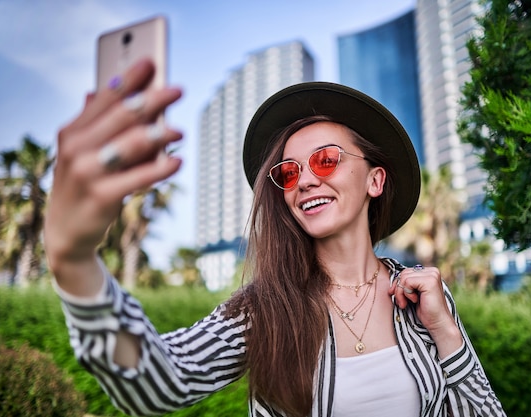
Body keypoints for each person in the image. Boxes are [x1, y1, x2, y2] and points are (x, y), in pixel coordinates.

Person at [44, 58, 506, 417]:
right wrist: (77, 265)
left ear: (375, 181)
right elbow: (159, 380)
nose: (304, 181)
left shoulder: (424, 295)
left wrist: (445, 331)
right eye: (288, 172)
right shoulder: (266, 308)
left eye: (325, 160)